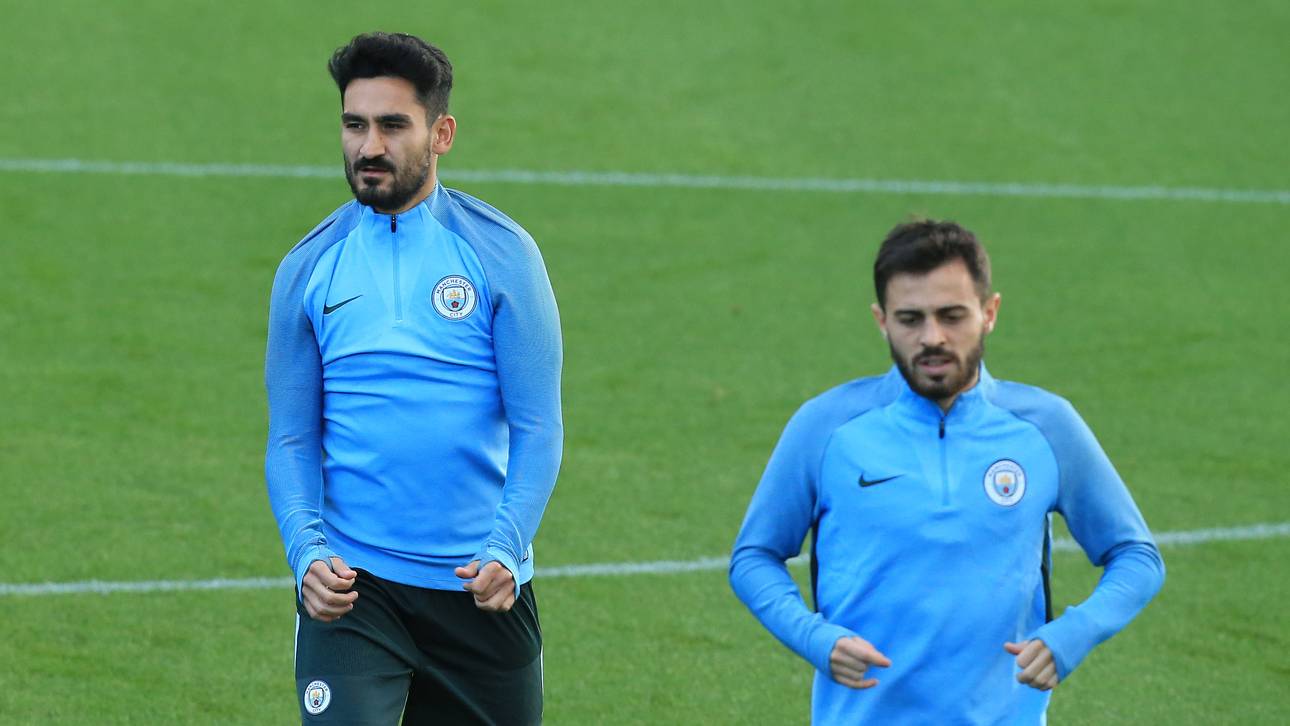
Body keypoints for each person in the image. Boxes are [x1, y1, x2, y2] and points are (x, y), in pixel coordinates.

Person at [728, 219, 1164, 724]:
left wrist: (1072, 633)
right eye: (910, 319)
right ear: (881, 320)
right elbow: (754, 556)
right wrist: (814, 638)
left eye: (952, 316)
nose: (931, 337)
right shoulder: (826, 428)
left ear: (989, 313)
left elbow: (1136, 556)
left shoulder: (1046, 428)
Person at [264, 32, 562, 724]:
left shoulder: (502, 254)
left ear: (441, 133)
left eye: (393, 125)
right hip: (355, 594)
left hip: (481, 591)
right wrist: (306, 550)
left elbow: (539, 426)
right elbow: (291, 439)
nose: (369, 146)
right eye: (354, 124)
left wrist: (506, 546)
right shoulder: (307, 268)